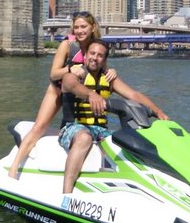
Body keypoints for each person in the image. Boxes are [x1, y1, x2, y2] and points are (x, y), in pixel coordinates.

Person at [8, 12, 116, 179]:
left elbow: (101, 69)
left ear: (92, 27)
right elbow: (53, 74)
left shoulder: (96, 47)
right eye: (77, 27)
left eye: (83, 27)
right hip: (57, 90)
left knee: (76, 125)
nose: (79, 31)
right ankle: (13, 169)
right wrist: (70, 68)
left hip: (77, 92)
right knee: (40, 126)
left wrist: (112, 72)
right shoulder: (67, 45)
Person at [59, 39, 169, 194]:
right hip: (73, 128)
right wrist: (91, 94)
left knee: (131, 143)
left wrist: (158, 112)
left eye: (100, 55)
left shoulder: (108, 78)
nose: (94, 57)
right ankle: (66, 194)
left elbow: (133, 94)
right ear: (85, 55)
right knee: (84, 137)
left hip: (100, 131)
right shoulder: (74, 75)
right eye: (92, 53)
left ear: (104, 60)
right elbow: (71, 85)